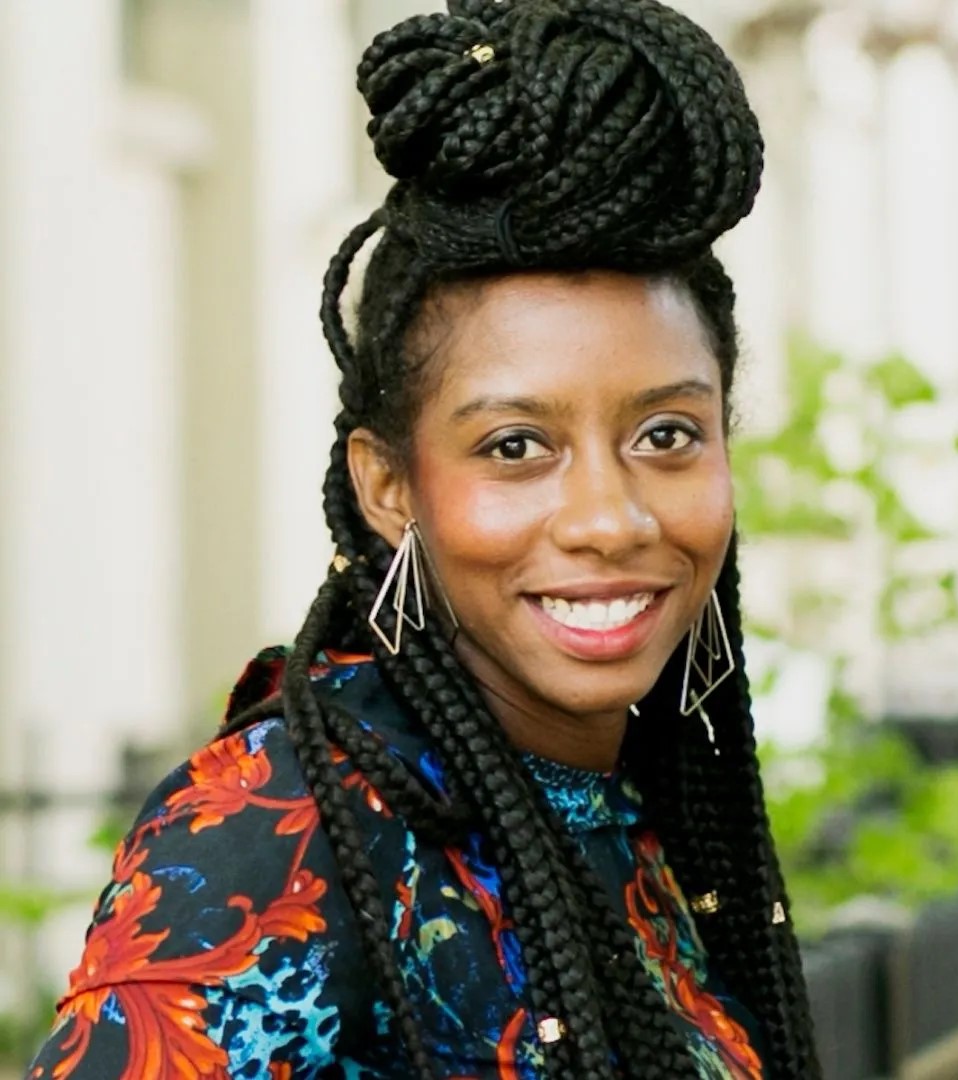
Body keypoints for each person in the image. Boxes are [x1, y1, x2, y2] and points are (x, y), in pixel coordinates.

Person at [27, 0, 821, 1076]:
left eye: (666, 434)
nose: (609, 518)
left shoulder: (645, 801)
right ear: (390, 486)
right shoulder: (286, 830)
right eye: (515, 446)